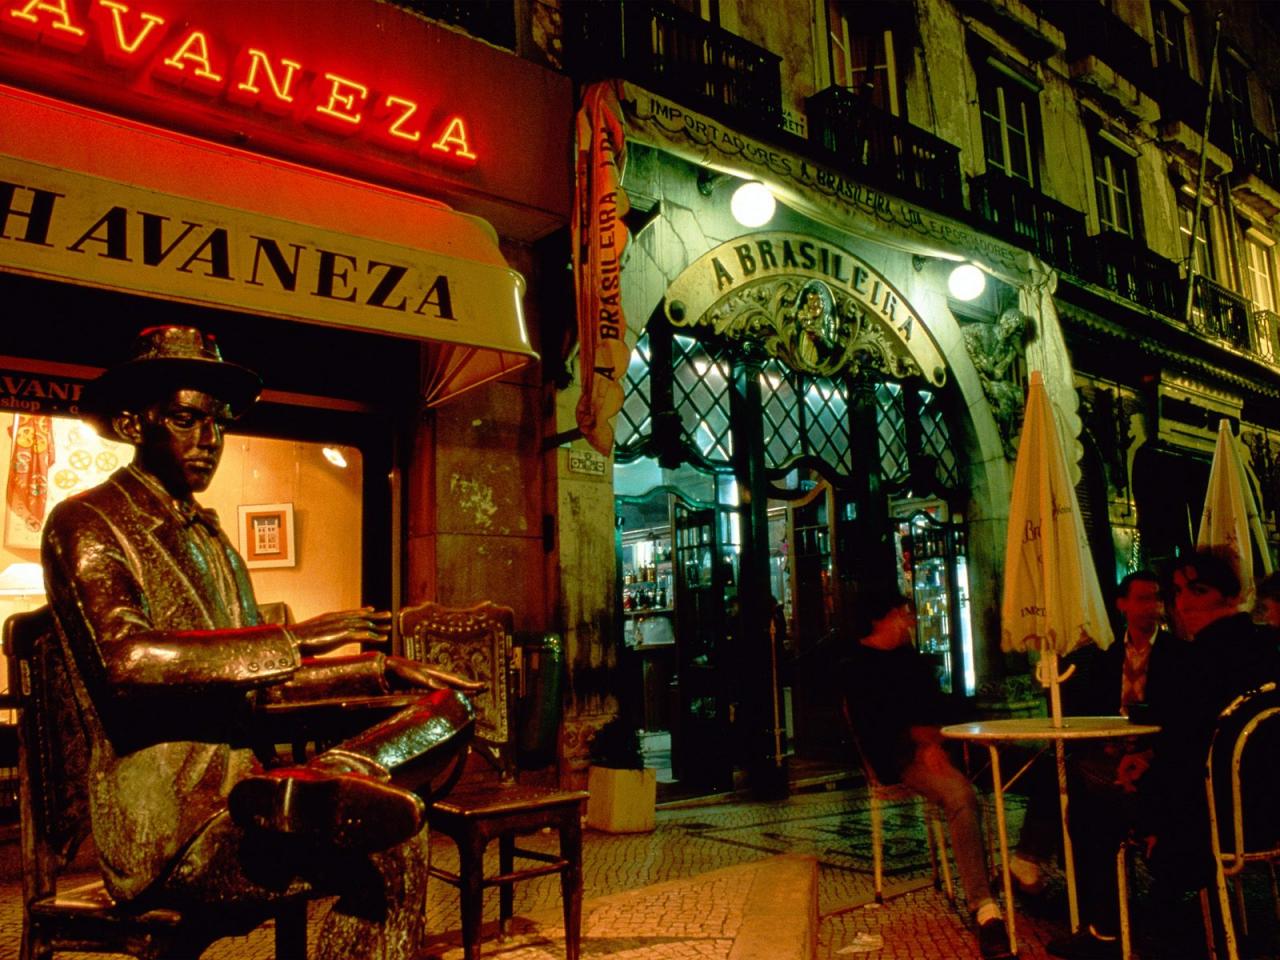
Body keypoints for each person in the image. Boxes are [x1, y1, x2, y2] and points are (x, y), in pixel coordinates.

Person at [41, 326, 481, 960]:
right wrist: (293, 639)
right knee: (387, 841)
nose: (209, 441)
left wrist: (377, 673)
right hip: (169, 828)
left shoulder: (212, 539)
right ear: (136, 423)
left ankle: (325, 776)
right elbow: (125, 661)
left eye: (217, 424)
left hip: (246, 798)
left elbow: (265, 685)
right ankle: (314, 785)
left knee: (447, 710)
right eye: (188, 420)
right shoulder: (86, 522)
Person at [1048, 552, 1280, 959]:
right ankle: (1167, 906)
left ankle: (1106, 928)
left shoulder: (1197, 661)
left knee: (1087, 799)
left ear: (1232, 594)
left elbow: (1187, 760)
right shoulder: (1267, 649)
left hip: (1210, 818)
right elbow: (1201, 741)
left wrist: (1151, 797)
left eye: (1198, 589)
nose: (1183, 602)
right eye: (1177, 592)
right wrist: (1153, 758)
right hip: (1266, 809)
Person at [841, 584, 1013, 960]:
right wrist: (923, 742)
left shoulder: (910, 659)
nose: (911, 621)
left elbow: (938, 705)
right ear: (882, 618)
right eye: (904, 614)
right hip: (901, 760)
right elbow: (877, 732)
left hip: (941, 746)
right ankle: (985, 908)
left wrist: (938, 738)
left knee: (1022, 767)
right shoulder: (859, 666)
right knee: (961, 797)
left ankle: (1022, 864)